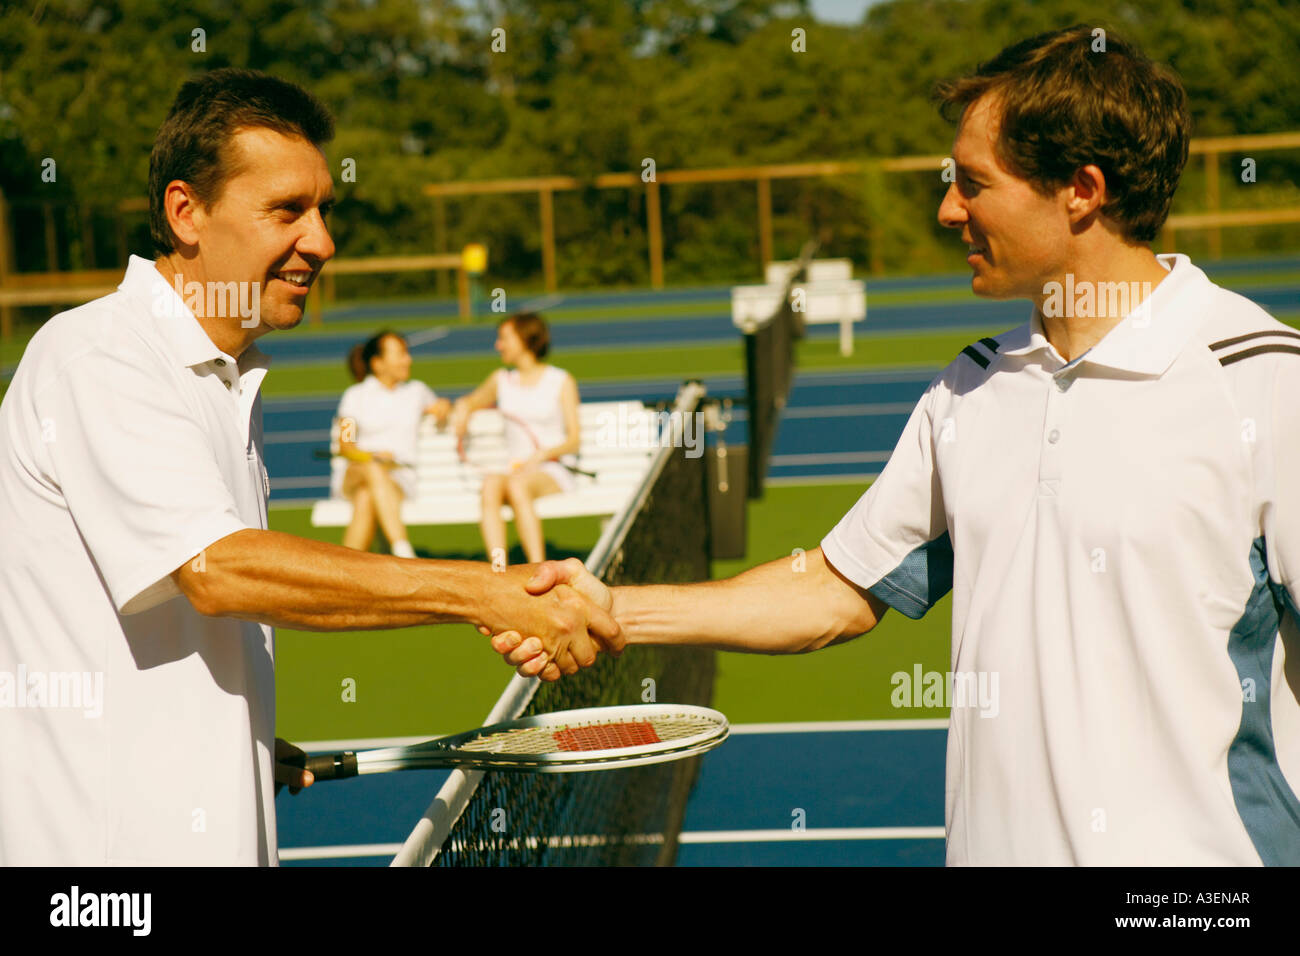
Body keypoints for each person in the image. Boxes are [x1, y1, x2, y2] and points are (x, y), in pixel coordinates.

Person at [490, 26, 1300, 866]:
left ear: (1081, 191)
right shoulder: (970, 388)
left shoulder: (1268, 384)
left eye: (973, 184)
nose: (949, 208)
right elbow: (834, 590)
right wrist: (612, 608)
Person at [0, 68, 618, 866]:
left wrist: (241, 738)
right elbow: (221, 572)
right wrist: (485, 591)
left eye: (324, 209)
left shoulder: (224, 381)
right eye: (287, 210)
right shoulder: (99, 356)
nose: (321, 241)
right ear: (186, 212)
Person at [451, 312, 581, 566]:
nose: (498, 345)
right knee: (490, 484)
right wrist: (463, 410)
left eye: (504, 338)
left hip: (552, 469)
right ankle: (499, 569)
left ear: (525, 339)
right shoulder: (501, 379)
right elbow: (471, 400)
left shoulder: (561, 380)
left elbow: (574, 439)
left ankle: (536, 568)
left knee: (517, 485)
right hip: (514, 470)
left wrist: (542, 454)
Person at [333, 330, 451, 558]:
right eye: (400, 354)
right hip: (356, 473)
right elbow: (345, 446)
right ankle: (403, 551)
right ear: (377, 363)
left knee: (366, 497)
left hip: (399, 479)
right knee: (372, 470)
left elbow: (439, 406)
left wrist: (444, 406)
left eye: (406, 353)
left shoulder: (417, 391)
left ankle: (343, 575)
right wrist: (373, 457)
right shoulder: (354, 396)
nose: (408, 359)